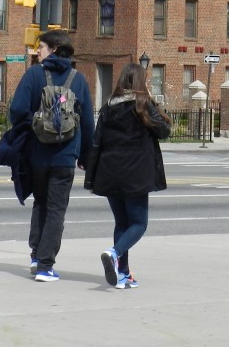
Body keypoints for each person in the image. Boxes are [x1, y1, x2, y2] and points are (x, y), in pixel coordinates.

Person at [8, 29, 94, 282]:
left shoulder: (34, 74)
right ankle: (46, 265)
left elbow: (17, 110)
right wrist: (85, 156)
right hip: (65, 157)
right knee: (57, 209)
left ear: (55, 49)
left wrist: (30, 131)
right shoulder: (78, 79)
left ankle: (36, 256)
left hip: (37, 155)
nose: (37, 51)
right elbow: (88, 122)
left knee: (41, 203)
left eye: (41, 46)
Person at [89, 62, 171, 289]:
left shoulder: (108, 107)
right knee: (138, 223)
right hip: (135, 174)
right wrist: (154, 102)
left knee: (121, 223)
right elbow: (164, 131)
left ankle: (122, 273)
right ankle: (113, 253)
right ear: (140, 82)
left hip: (109, 172)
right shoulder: (143, 105)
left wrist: (91, 178)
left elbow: (97, 143)